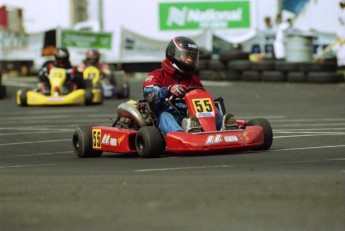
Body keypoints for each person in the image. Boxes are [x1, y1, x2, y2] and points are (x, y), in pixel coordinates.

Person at [142, 36, 236, 134]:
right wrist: (168, 90)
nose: (189, 60)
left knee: (214, 110)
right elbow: (149, 95)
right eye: (186, 55)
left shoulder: (193, 78)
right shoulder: (156, 75)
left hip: (191, 116)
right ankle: (180, 135)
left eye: (192, 57)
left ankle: (223, 130)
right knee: (165, 116)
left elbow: (202, 97)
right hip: (169, 115)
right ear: (172, 55)